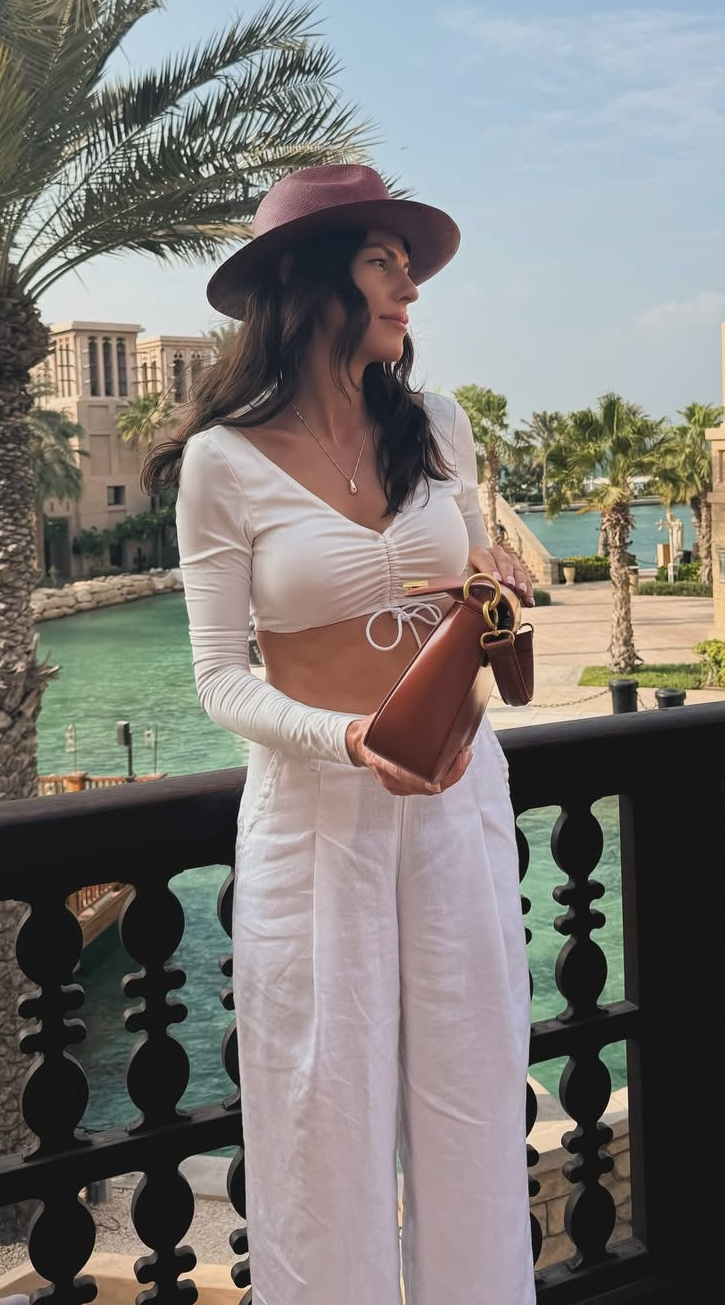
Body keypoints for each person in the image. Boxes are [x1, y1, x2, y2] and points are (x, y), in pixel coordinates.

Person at [145, 164, 537, 1304]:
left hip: (458, 796)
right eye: (382, 262)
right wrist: (350, 737)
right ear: (310, 282)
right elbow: (220, 679)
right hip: (316, 822)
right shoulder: (222, 461)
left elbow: (477, 592)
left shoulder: (438, 427)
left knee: (474, 1108)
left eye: (408, 266)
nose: (409, 287)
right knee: (323, 1132)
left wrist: (498, 589)